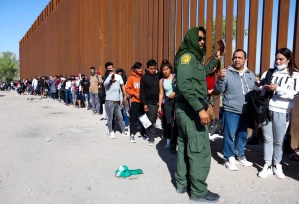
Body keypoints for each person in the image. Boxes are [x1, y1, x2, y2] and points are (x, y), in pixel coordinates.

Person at [174, 26, 222, 202]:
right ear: (192, 38)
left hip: (186, 109)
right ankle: (198, 192)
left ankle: (182, 184)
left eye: (204, 39)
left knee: (185, 146)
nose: (202, 41)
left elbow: (200, 73)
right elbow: (185, 85)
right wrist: (200, 110)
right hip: (191, 110)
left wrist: (216, 60)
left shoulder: (191, 57)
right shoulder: (188, 57)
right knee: (199, 149)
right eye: (200, 38)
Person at [257, 48, 299, 179]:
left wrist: (278, 89)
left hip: (282, 110)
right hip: (266, 109)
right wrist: (261, 85)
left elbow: (295, 94)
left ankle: (277, 164)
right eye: (276, 59)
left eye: (281, 59)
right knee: (268, 139)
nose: (278, 61)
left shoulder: (296, 75)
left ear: (288, 59)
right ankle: (267, 165)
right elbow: (260, 89)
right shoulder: (269, 72)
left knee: (279, 141)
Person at [213, 49, 255, 171]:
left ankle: (240, 155)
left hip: (246, 111)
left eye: (240, 58)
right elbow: (217, 90)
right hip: (231, 110)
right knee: (229, 135)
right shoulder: (227, 73)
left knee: (242, 135)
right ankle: (228, 158)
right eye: (235, 57)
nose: (237, 60)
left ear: (245, 60)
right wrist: (220, 78)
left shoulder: (250, 74)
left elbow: (255, 91)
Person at [103, 65, 128, 138]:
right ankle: (111, 132)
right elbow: (105, 82)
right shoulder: (107, 84)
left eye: (113, 75)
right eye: (111, 75)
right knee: (110, 118)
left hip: (117, 103)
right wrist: (110, 74)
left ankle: (123, 131)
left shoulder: (117, 82)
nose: (112, 76)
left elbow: (120, 91)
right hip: (109, 102)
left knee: (120, 117)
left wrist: (121, 100)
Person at [157, 60, 177, 150]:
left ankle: (176, 141)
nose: (165, 71)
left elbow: (181, 87)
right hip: (167, 102)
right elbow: (161, 94)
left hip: (177, 101)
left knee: (177, 122)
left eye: (167, 69)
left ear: (170, 69)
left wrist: (175, 93)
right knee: (168, 122)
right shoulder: (161, 81)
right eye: (163, 69)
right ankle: (168, 141)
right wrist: (160, 106)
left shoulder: (175, 77)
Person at [140, 59, 160, 146]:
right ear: (147, 68)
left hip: (157, 101)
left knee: (152, 119)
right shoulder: (144, 78)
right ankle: (150, 136)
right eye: (151, 68)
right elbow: (142, 91)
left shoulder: (159, 76)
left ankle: (150, 134)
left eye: (154, 68)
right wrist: (144, 103)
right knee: (148, 119)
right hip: (148, 101)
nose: (153, 70)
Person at [125, 62, 144, 143]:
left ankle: (144, 133)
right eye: (138, 68)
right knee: (133, 118)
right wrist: (135, 94)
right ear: (135, 69)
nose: (140, 70)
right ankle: (132, 134)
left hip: (143, 101)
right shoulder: (131, 78)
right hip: (135, 101)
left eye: (141, 68)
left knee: (144, 118)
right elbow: (127, 89)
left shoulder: (144, 77)